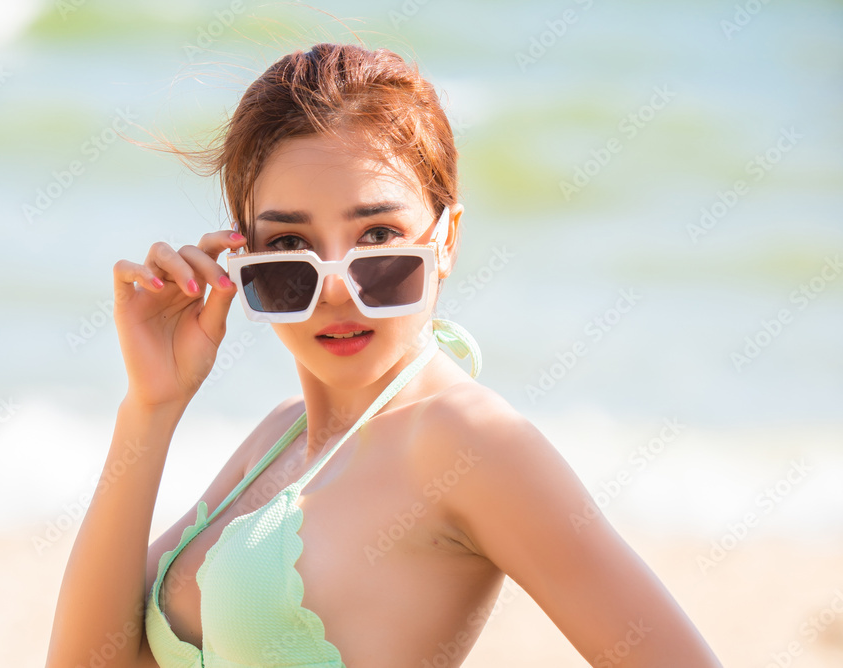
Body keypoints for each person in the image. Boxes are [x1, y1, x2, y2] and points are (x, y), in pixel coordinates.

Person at [46, 42, 723, 668]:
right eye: (289, 249)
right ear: (241, 260)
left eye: (379, 236)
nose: (337, 285)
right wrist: (151, 405)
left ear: (446, 240)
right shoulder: (278, 439)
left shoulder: (468, 442)